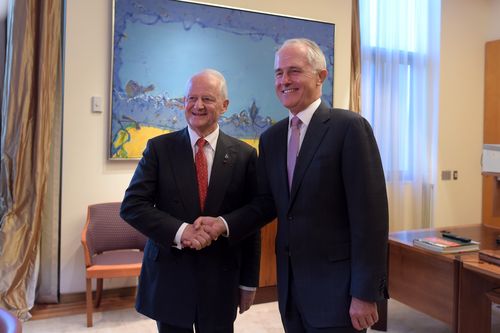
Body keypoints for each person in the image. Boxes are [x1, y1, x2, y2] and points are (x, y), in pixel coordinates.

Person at [195, 39, 389, 333]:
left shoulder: (349, 128)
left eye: (294, 71)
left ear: (321, 76)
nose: (284, 80)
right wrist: (223, 223)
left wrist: (365, 293)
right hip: (291, 290)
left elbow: (371, 219)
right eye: (278, 73)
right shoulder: (271, 138)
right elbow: (265, 204)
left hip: (338, 290)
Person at [120, 69, 261, 333]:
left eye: (207, 98)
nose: (198, 106)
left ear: (224, 105)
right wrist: (181, 231)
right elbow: (132, 206)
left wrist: (248, 282)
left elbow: (251, 220)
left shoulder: (245, 155)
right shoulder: (159, 149)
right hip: (171, 279)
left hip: (221, 281)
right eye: (191, 98)